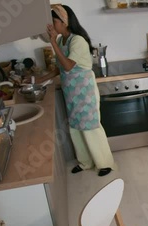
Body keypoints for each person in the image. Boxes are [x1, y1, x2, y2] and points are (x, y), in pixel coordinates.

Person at [35, 5, 115, 177]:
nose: (51, 26)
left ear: (64, 22)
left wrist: (52, 42)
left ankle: (104, 163)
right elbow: (59, 68)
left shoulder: (77, 40)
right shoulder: (63, 40)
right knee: (76, 128)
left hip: (84, 91)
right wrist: (38, 80)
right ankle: (85, 162)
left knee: (90, 127)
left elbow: (68, 66)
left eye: (54, 21)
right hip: (71, 92)